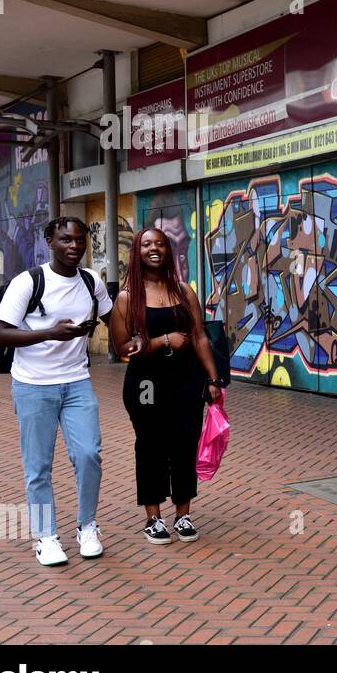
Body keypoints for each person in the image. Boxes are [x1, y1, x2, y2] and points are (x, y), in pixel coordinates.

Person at [0, 217, 113, 566]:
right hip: (32, 385)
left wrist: (130, 337)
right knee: (39, 466)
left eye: (80, 240)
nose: (74, 246)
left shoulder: (91, 281)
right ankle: (46, 536)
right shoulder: (28, 282)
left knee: (89, 455)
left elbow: (112, 315)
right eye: (65, 240)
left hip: (76, 381)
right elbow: (0, 334)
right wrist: (49, 333)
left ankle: (87, 525)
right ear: (49, 241)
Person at [110, 227, 221, 545]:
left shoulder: (184, 291)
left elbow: (199, 335)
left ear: (169, 251)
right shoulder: (128, 298)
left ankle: (183, 514)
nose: (154, 248)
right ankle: (153, 518)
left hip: (186, 381)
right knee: (151, 447)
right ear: (137, 252)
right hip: (146, 383)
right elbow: (122, 348)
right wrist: (162, 340)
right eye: (147, 244)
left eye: (160, 243)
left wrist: (213, 379)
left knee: (185, 446)